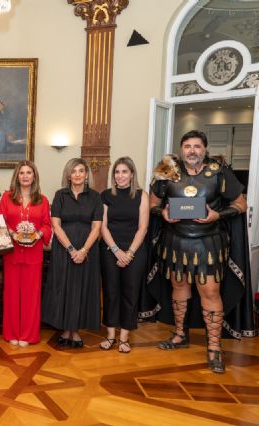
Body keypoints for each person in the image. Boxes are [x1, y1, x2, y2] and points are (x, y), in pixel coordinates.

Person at [148, 130, 250, 373]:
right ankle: (180, 335)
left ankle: (214, 347)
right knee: (179, 288)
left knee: (210, 291)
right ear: (181, 149)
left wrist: (218, 215)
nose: (191, 150)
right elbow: (153, 203)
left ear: (204, 149)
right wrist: (161, 213)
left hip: (209, 243)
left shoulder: (219, 172)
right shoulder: (167, 170)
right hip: (175, 242)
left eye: (196, 146)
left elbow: (241, 204)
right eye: (187, 146)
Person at [41, 158, 102, 348]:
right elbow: (56, 226)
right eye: (73, 171)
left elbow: (97, 227)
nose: (77, 174)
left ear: (86, 175)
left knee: (82, 289)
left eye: (81, 171)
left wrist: (83, 250)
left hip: (88, 250)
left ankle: (76, 331)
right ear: (68, 175)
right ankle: (66, 329)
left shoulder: (95, 197)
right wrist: (71, 249)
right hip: (63, 249)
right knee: (64, 288)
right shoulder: (60, 195)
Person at [99, 157, 149, 354]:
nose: (120, 176)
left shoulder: (141, 195)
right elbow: (103, 226)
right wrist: (116, 250)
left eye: (124, 172)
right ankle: (110, 335)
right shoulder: (105, 195)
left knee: (130, 293)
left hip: (135, 250)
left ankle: (124, 338)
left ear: (132, 174)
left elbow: (143, 227)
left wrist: (129, 253)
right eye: (117, 172)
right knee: (111, 292)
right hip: (110, 249)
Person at [0, 160, 51, 347]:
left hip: (34, 255)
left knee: (31, 296)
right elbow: (1, 221)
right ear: (17, 176)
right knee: (12, 294)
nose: (25, 176)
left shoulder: (43, 200)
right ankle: (12, 332)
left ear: (34, 176)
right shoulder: (7, 198)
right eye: (21, 173)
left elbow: (47, 225)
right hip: (12, 253)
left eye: (29, 172)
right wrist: (13, 234)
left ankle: (28, 335)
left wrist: (38, 235)